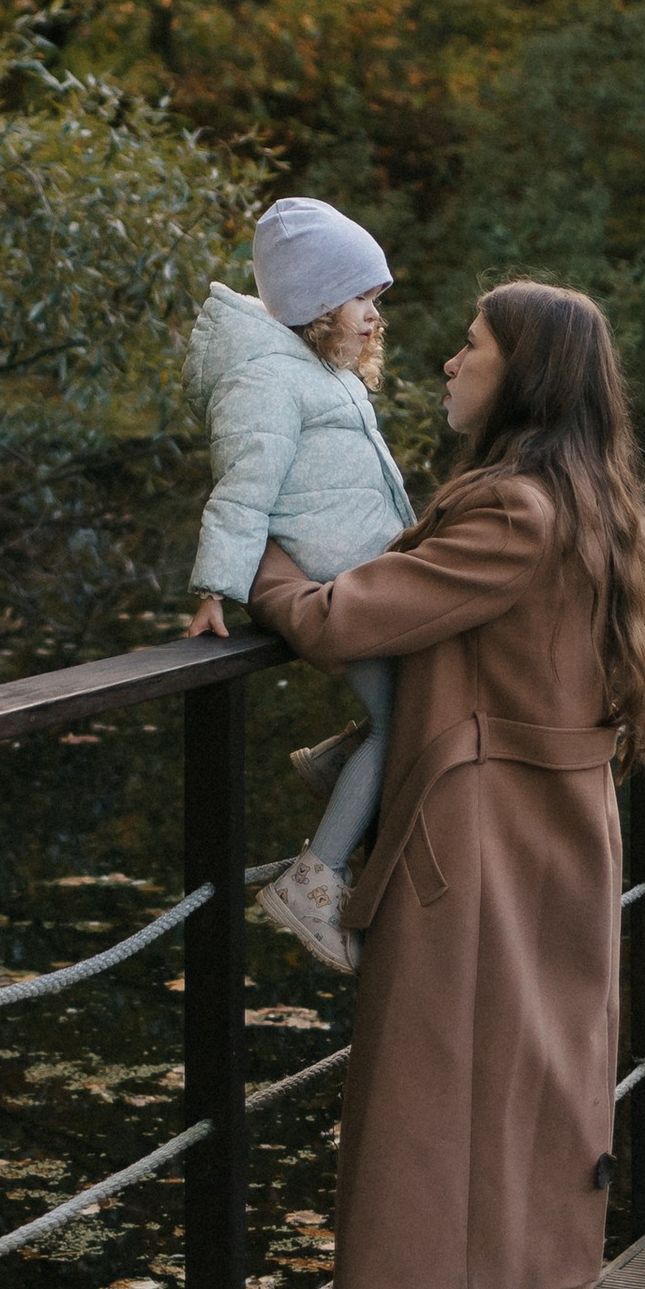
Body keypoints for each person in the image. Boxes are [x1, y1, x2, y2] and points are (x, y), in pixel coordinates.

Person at [247, 279, 645, 1289]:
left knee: (481, 1156)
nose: (445, 357)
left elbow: (335, 619)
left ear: (523, 374)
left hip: (487, 864)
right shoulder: (586, 504)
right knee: (543, 1155)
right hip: (546, 851)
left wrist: (250, 551)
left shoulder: (511, 513)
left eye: (472, 345)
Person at [181, 196, 414, 976]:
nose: (374, 315)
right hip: (339, 588)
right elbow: (244, 488)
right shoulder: (266, 381)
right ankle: (315, 883)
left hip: (367, 577)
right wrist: (215, 586)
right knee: (403, 725)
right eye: (360, 299)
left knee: (408, 709)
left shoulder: (318, 370)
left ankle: (334, 762)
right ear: (315, 304)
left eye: (377, 299)